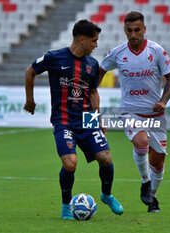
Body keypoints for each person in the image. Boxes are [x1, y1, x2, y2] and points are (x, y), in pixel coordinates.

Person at [24, 19, 123, 220]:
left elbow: (93, 92)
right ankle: (65, 206)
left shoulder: (92, 65)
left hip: (87, 119)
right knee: (70, 164)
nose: (96, 45)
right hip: (63, 120)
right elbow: (30, 71)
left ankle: (106, 195)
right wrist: (30, 100)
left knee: (105, 158)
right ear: (82, 39)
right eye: (94, 41)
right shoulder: (55, 57)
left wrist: (98, 119)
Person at [99, 11, 170, 213]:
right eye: (129, 30)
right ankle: (145, 182)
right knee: (141, 142)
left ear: (144, 29)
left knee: (158, 162)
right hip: (130, 112)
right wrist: (91, 92)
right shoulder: (118, 53)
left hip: (155, 115)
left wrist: (163, 101)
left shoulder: (156, 50)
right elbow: (99, 71)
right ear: (124, 30)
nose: (133, 34)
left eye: (137, 30)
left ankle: (152, 197)